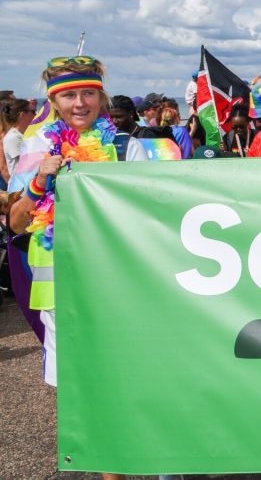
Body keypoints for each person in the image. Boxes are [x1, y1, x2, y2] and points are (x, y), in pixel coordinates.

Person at [6, 56, 147, 480]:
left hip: (121, 285)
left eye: (87, 93)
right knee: (77, 387)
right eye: (68, 95)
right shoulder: (35, 149)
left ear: (100, 97)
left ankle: (149, 455)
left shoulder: (128, 148)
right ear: (55, 101)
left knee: (130, 376)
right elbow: (15, 223)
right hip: (62, 288)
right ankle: (108, 469)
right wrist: (37, 183)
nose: (79, 103)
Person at [2, 99, 34, 178]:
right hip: (20, 187)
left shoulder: (21, 135)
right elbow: (24, 165)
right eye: (33, 111)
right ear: (23, 114)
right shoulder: (13, 137)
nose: (35, 114)